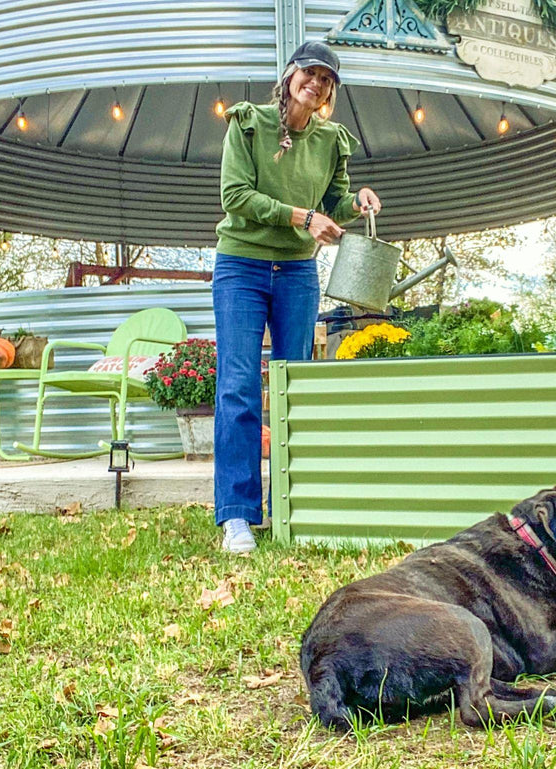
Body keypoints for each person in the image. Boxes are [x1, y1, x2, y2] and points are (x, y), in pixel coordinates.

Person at [213, 41, 382, 552]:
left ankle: (292, 506)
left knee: (295, 391)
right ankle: (238, 515)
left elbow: (333, 203)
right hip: (240, 266)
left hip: (297, 273)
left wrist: (356, 203)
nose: (318, 82)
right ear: (290, 75)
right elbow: (234, 197)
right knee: (240, 386)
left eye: (327, 79)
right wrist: (302, 217)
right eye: (310, 72)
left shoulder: (333, 141)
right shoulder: (248, 124)